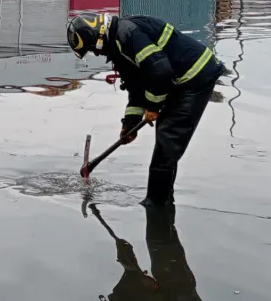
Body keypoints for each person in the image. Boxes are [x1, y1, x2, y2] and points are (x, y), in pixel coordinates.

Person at [66, 13, 225, 206]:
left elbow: (160, 71)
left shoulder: (127, 34)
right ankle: (164, 200)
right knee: (165, 142)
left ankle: (156, 206)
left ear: (97, 39)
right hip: (180, 81)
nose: (96, 54)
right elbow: (136, 89)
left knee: (167, 142)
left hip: (195, 77)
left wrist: (153, 107)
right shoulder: (119, 46)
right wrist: (129, 125)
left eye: (92, 49)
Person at [90, 203, 202, 301]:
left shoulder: (125, 292)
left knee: (159, 240)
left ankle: (159, 197)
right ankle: (159, 198)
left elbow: (133, 277)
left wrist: (129, 265)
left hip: (175, 289)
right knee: (159, 242)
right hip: (177, 290)